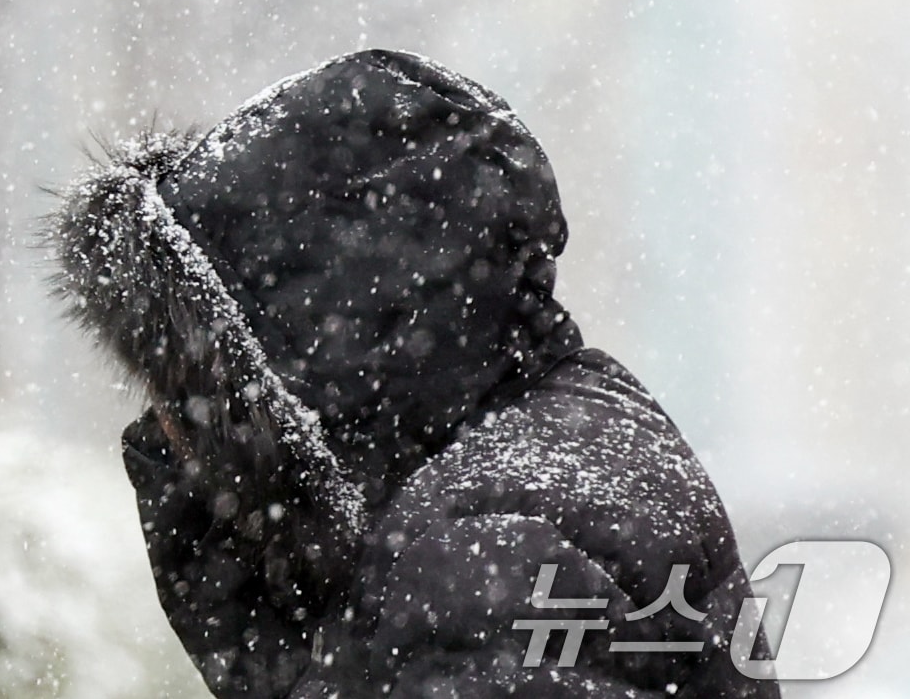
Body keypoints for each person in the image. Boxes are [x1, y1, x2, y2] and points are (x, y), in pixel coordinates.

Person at [50, 49, 777, 697]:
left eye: (191, 390)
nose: (169, 428)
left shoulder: (475, 563)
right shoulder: (553, 451)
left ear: (333, 355)